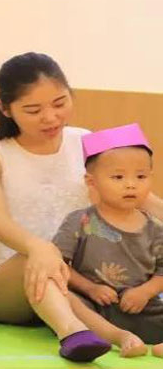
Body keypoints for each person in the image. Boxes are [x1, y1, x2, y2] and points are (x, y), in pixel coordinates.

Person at [0, 53, 115, 361]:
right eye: (33, 110)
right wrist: (39, 248)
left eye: (60, 103)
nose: (51, 118)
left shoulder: (86, 140)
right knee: (38, 256)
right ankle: (72, 332)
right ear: (5, 108)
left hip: (71, 276)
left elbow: (137, 196)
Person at [52, 124, 163, 358]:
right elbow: (58, 265)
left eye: (141, 176)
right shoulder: (79, 221)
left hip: (143, 307)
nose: (131, 184)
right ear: (92, 182)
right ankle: (120, 338)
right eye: (118, 177)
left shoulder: (155, 228)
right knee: (63, 297)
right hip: (94, 305)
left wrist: (144, 292)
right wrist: (90, 288)